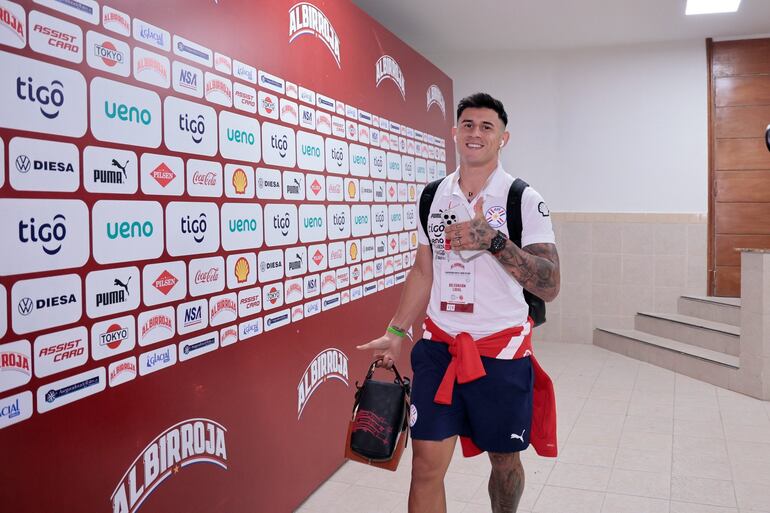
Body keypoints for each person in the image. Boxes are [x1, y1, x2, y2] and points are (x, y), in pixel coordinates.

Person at [357, 92, 561, 513]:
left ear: (503, 138)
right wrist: (396, 331)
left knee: (504, 462)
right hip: (439, 348)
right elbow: (422, 271)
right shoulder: (432, 196)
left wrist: (494, 241)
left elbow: (550, 283)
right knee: (426, 464)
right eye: (467, 124)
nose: (476, 133)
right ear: (454, 132)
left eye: (487, 126)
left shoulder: (523, 198)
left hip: (500, 352)